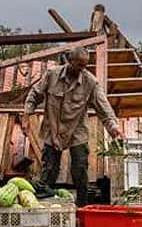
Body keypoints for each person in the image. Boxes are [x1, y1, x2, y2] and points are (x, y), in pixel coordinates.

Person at [23, 46, 122, 206]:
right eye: (79, 64)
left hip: (77, 130)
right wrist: (27, 115)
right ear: (70, 61)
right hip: (53, 128)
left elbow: (104, 108)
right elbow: (35, 94)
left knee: (80, 169)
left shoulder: (91, 82)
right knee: (49, 169)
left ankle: (82, 207)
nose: (82, 68)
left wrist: (114, 128)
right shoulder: (51, 75)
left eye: (85, 65)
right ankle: (43, 205)